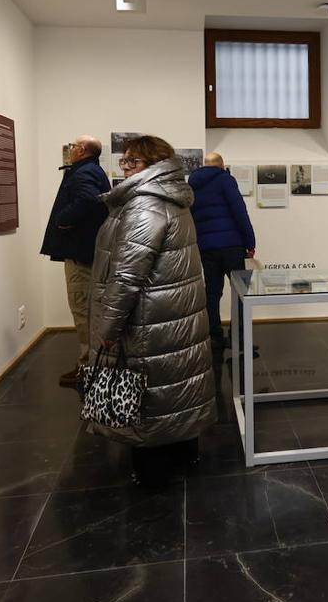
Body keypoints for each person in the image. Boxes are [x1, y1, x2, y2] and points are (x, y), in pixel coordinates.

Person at [89, 135, 215, 486]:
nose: (125, 168)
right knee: (179, 383)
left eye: (133, 162)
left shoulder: (145, 205)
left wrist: (108, 330)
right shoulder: (171, 198)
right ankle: (186, 452)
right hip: (174, 311)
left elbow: (127, 275)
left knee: (148, 394)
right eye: (124, 161)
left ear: (154, 164)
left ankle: (152, 472)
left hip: (149, 318)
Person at [40, 135, 110, 385]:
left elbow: (89, 200)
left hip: (81, 253)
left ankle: (88, 367)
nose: (69, 149)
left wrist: (63, 219)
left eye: (72, 146)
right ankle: (94, 363)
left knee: (82, 308)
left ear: (82, 150)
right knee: (90, 309)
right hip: (88, 250)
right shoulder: (93, 170)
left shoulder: (83, 173)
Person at [188, 152, 256, 352]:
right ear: (221, 165)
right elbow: (239, 211)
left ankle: (215, 337)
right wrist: (250, 241)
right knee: (241, 293)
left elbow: (191, 217)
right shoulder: (225, 179)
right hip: (231, 245)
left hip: (206, 247)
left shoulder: (193, 184)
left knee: (212, 291)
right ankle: (240, 339)